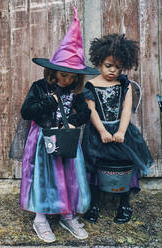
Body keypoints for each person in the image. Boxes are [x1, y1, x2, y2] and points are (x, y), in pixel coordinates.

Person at [18, 8, 99, 243]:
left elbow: (84, 113)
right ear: (53, 70)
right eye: (64, 74)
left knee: (68, 176)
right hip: (42, 140)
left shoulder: (76, 91)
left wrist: (74, 123)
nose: (68, 79)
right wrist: (50, 101)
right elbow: (26, 111)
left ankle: (67, 214)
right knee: (42, 177)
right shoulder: (40, 86)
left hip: (66, 141)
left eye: (73, 76)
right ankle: (40, 217)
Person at [81, 34, 153, 224]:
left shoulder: (125, 85)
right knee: (95, 166)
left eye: (118, 67)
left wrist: (120, 131)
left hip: (121, 130)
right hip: (98, 132)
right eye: (108, 66)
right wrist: (103, 131)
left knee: (125, 163)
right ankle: (94, 204)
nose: (113, 71)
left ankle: (124, 204)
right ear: (99, 62)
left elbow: (126, 108)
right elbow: (91, 110)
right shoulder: (91, 85)